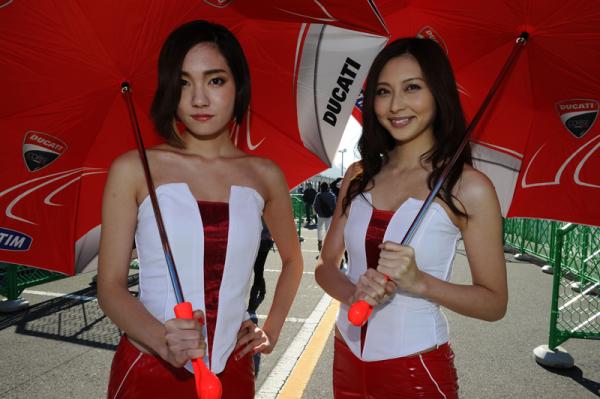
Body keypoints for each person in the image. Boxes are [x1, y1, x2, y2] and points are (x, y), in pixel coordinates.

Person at [97, 20, 303, 399]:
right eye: (183, 82)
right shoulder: (133, 168)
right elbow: (110, 287)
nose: (199, 99)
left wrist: (271, 330)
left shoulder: (266, 175)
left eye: (215, 80)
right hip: (147, 371)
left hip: (234, 375)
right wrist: (162, 339)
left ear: (238, 85)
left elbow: (292, 260)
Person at [314, 37, 507, 398]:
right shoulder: (358, 175)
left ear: (438, 93)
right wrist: (353, 289)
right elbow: (325, 266)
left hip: (415, 371)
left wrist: (420, 283)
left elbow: (495, 302)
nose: (396, 105)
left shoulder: (469, 187)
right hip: (345, 361)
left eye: (412, 88)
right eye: (384, 91)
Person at [247, 218, 274, 377]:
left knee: (257, 270)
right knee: (258, 270)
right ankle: (260, 289)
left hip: (260, 242)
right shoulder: (261, 209)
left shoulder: (257, 211)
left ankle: (256, 292)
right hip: (264, 242)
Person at [313, 182, 336, 258]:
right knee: (328, 231)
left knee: (319, 230)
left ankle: (320, 245)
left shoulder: (318, 195)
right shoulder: (332, 195)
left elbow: (315, 206)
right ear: (327, 187)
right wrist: (331, 213)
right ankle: (328, 248)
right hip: (329, 216)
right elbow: (334, 206)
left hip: (320, 216)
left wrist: (319, 212)